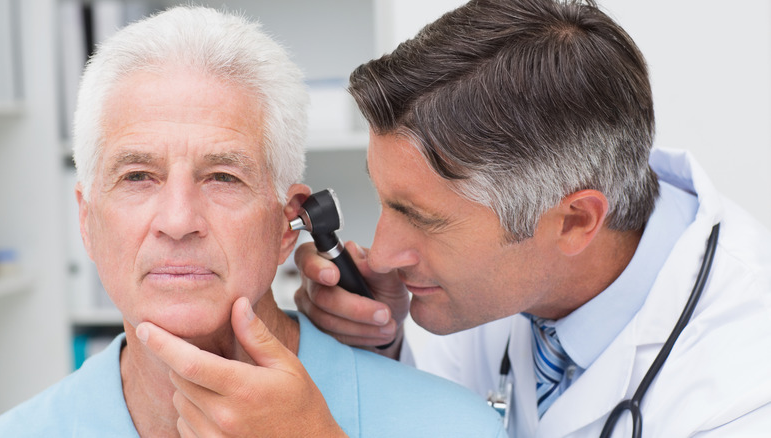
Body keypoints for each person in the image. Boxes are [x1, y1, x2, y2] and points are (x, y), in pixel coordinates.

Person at [0, 6, 506, 438]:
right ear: (86, 222)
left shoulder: (457, 426)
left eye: (222, 177)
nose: (177, 221)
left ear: (288, 223)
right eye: (137, 177)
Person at [292, 0, 771, 436]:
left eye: (424, 218)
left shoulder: (746, 387)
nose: (382, 255)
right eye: (387, 201)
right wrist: (384, 349)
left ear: (575, 222)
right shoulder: (500, 279)